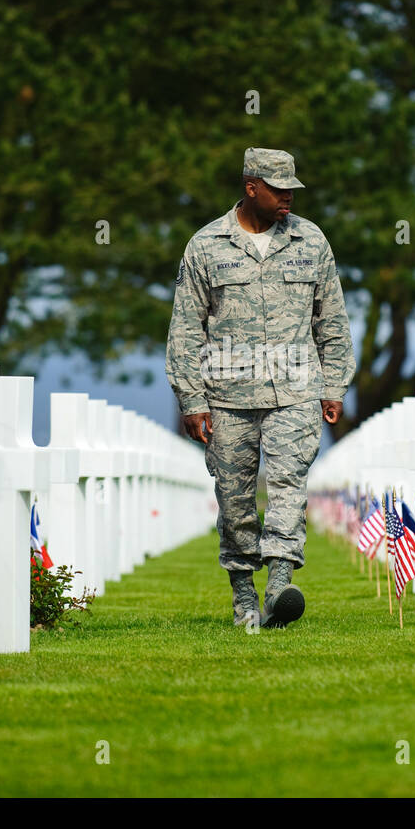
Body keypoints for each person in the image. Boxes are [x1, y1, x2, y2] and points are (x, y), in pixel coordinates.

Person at [166, 146, 356, 628]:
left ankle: (280, 587)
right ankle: (244, 596)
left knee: (290, 485)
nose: (287, 198)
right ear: (251, 188)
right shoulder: (206, 245)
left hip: (296, 391)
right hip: (227, 398)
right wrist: (191, 398)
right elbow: (186, 329)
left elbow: (331, 319)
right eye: (278, 189)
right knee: (235, 499)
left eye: (292, 189)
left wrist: (334, 384)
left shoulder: (311, 241)